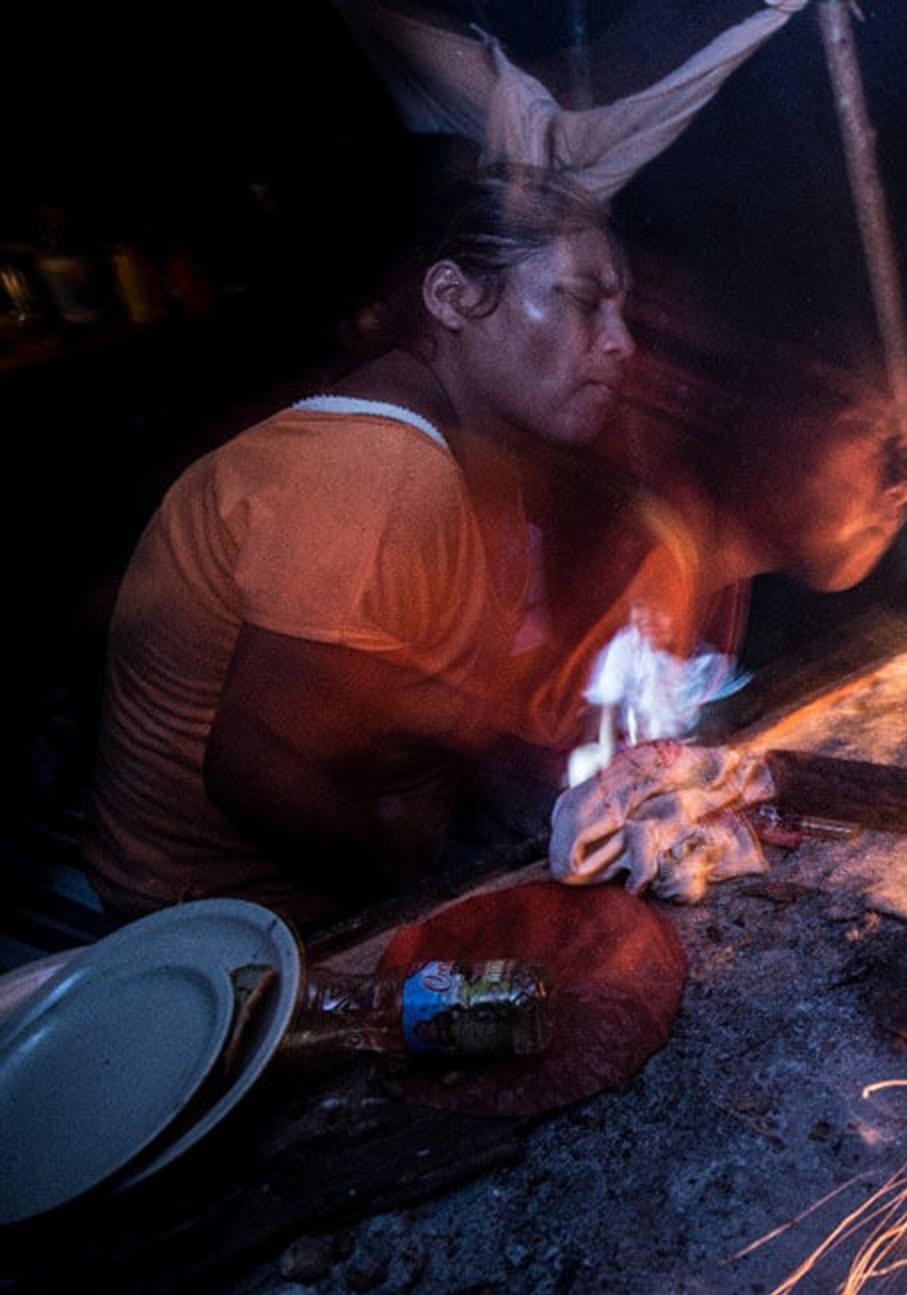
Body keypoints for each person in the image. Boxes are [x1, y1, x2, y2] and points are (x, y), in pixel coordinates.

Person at [84, 168, 640, 926]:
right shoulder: (374, 464)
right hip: (230, 933)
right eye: (581, 301)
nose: (622, 343)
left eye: (621, 310)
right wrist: (431, 888)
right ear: (451, 298)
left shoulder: (478, 460)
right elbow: (257, 770)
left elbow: (424, 694)